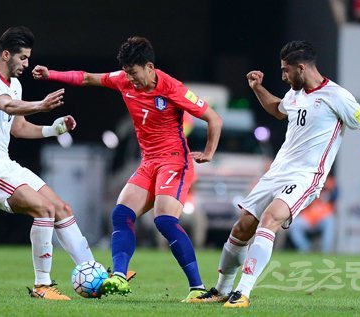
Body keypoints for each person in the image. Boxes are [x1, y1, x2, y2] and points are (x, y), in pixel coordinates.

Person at [190, 40, 360, 307]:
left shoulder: (338, 96)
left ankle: (243, 292)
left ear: (301, 68)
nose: (282, 76)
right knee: (241, 228)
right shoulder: (296, 94)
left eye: (285, 71)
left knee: (270, 219)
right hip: (277, 172)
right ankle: (222, 290)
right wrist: (258, 88)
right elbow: (278, 110)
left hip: (306, 177)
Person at [32, 36, 223, 302]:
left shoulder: (172, 87)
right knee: (121, 214)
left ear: (149, 67)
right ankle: (119, 277)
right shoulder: (123, 79)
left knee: (165, 221)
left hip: (174, 161)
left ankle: (198, 289)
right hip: (148, 162)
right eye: (127, 73)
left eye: (134, 73)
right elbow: (87, 78)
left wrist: (209, 152)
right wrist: (51, 74)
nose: (130, 79)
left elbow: (213, 118)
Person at [0, 26, 94, 300]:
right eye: (22, 58)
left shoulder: (15, 84)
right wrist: (41, 105)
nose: (26, 64)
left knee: (61, 207)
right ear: (6, 54)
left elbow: (18, 127)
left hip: (5, 165)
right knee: (43, 209)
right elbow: (9, 107)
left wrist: (53, 129)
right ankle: (42, 286)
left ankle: (92, 270)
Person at [289, 174, 337, 253]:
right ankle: (305, 248)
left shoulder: (330, 183)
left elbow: (335, 197)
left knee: (330, 220)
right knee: (294, 225)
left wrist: (326, 185)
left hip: (323, 218)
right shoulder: (309, 180)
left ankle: (326, 251)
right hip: (309, 218)